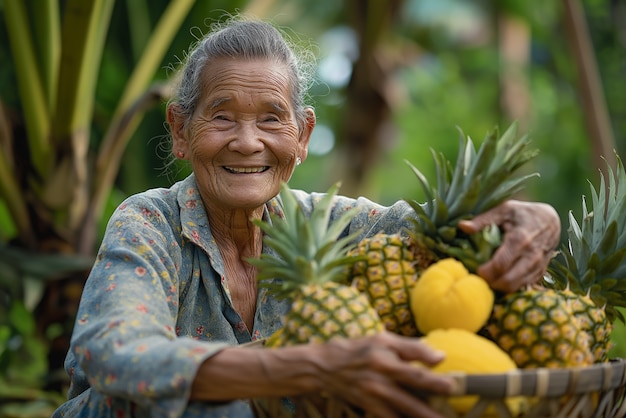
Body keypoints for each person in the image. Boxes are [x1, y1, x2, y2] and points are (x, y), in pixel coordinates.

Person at [53, 17, 561, 418]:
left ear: (303, 136)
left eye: (272, 117)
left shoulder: (335, 226)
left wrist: (527, 217)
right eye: (222, 115)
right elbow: (115, 351)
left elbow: (450, 229)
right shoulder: (148, 221)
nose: (248, 141)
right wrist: (294, 367)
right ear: (181, 130)